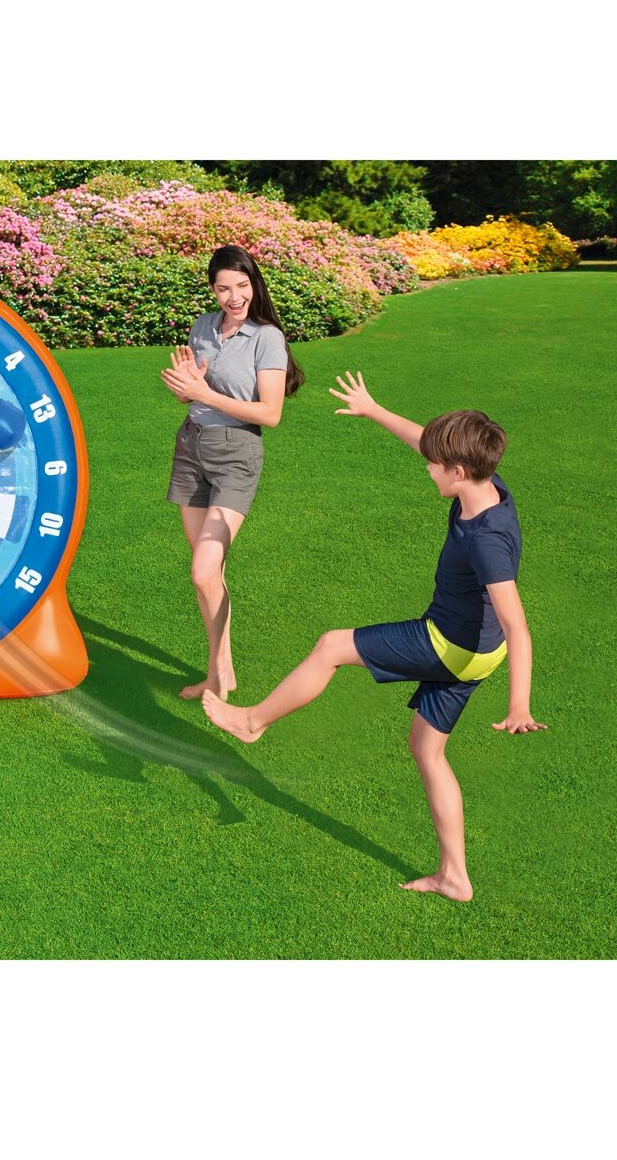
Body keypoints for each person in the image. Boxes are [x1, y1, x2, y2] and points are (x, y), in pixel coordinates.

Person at [202, 373, 546, 901]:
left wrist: (518, 705)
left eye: (434, 465)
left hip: (450, 645)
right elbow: (426, 443)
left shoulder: (486, 542)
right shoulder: (489, 488)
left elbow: (519, 625)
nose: (426, 467)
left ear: (457, 471)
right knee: (428, 752)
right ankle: (455, 875)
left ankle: (251, 722)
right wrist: (375, 409)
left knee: (331, 646)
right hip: (480, 652)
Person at [160, 245, 304, 702]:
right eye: (223, 288)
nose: (234, 296)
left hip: (237, 454)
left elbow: (271, 413)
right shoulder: (202, 326)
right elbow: (196, 393)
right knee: (210, 572)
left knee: (203, 571)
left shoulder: (267, 338)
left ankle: (220, 673)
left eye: (241, 286)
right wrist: (187, 389)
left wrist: (204, 391)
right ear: (213, 289)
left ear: (254, 284)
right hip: (191, 448)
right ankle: (220, 672)